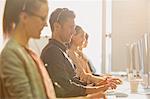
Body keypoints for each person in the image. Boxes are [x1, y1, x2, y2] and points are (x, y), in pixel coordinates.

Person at [41, 8, 117, 98]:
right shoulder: (52, 52)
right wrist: (96, 89)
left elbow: (73, 81)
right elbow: (66, 88)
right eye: (70, 27)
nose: (73, 32)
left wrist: (97, 86)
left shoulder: (60, 50)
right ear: (57, 26)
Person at [0, 0, 56, 98]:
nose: (46, 24)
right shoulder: (11, 55)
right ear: (24, 17)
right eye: (43, 18)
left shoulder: (28, 53)